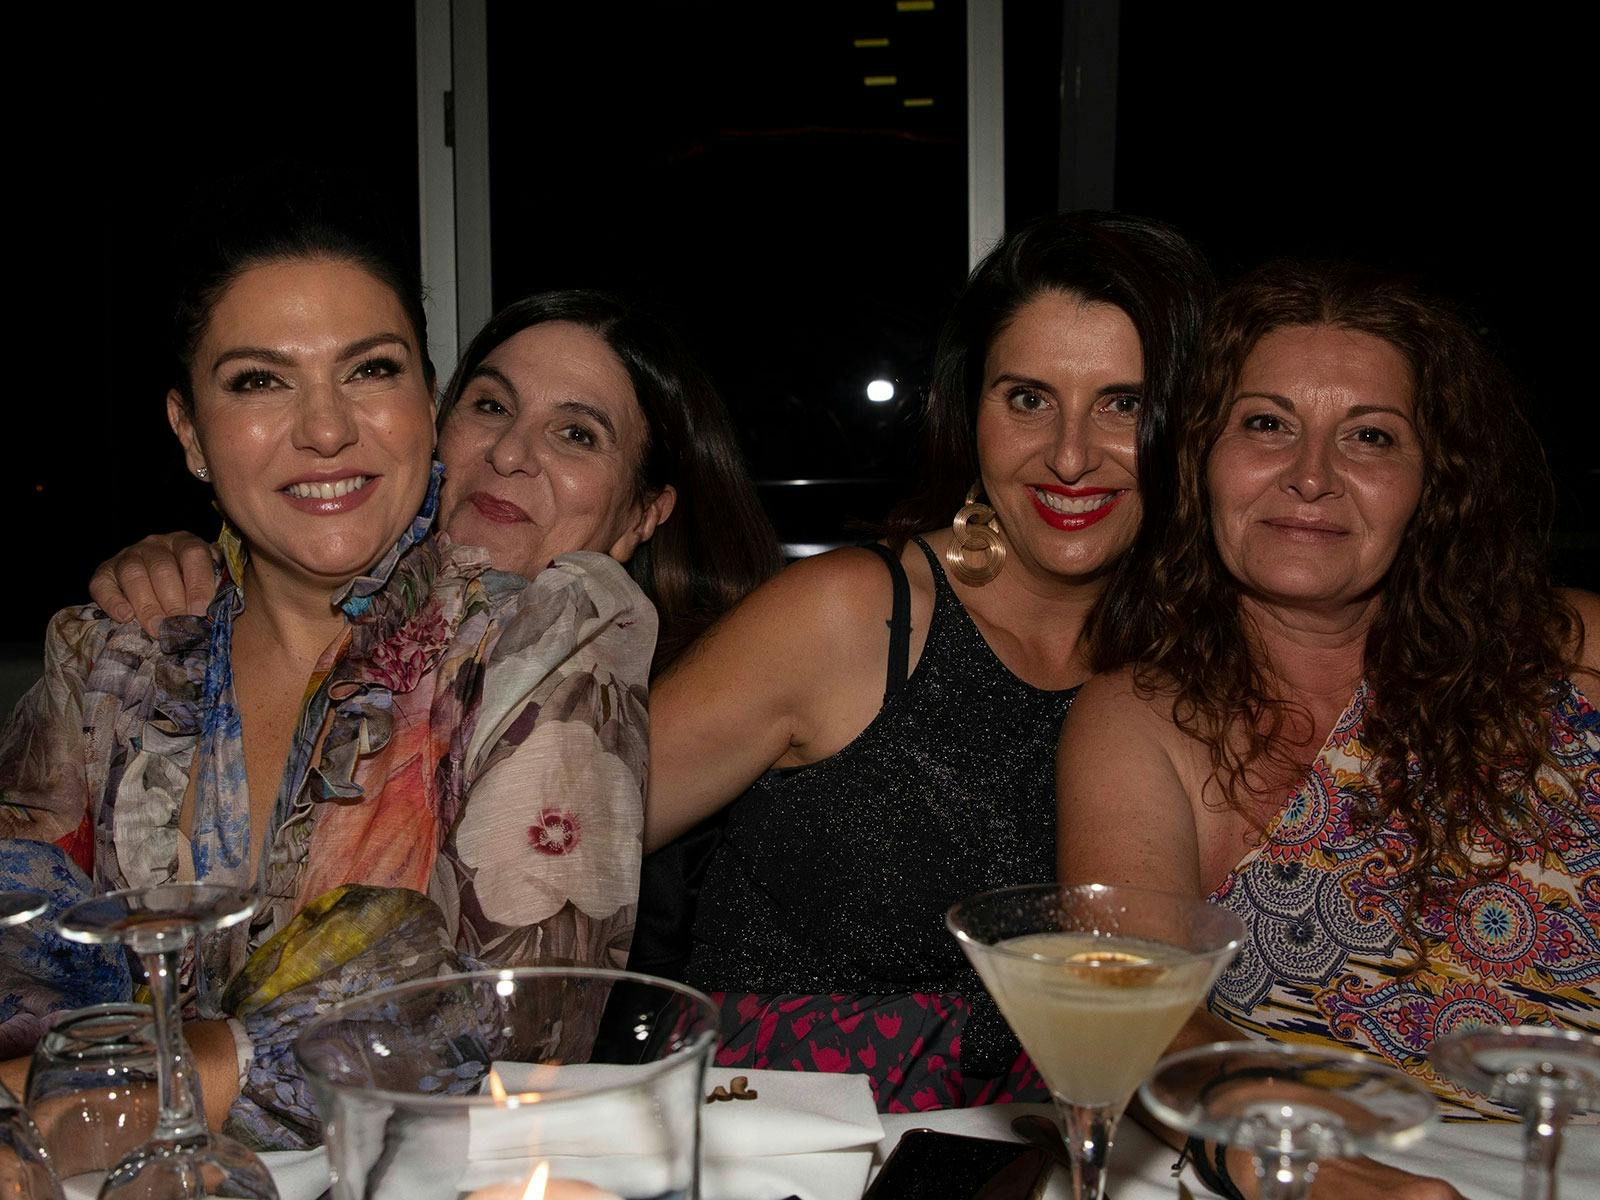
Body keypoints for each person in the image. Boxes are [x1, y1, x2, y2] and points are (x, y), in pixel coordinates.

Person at [0, 178, 655, 1150]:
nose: (325, 428)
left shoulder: (542, 640)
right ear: (189, 432)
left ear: (426, 402)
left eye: (370, 370)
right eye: (258, 381)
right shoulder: (111, 658)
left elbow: (514, 1027)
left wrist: (111, 1091)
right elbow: (16, 940)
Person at [643, 212, 1215, 1111]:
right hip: (775, 1137)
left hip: (1028, 1154)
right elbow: (564, 843)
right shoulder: (854, 615)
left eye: (1125, 405)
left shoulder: (1184, 662)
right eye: (1027, 399)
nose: (1070, 455)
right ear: (969, 411)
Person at [1058, 261, 1599, 1197]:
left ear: (1434, 483)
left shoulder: (1577, 656)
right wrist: (1283, 1158)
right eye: (1266, 425)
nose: (1310, 476)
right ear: (1200, 459)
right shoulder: (1141, 722)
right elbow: (1129, 1002)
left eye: (1370, 437)